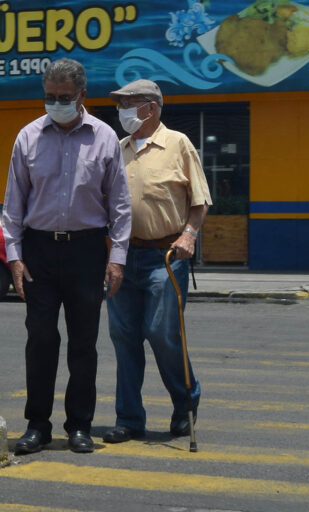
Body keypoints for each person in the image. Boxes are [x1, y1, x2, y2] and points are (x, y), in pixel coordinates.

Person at [2, 58, 131, 455]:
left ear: (82, 96)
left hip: (87, 251)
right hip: (39, 250)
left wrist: (117, 257)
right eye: (50, 97)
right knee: (40, 340)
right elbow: (13, 207)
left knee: (83, 344)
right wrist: (15, 257)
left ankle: (79, 425)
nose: (56, 103)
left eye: (64, 97)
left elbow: (121, 205)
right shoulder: (27, 138)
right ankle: (37, 426)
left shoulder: (105, 138)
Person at [103, 79, 212, 443]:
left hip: (165, 256)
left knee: (161, 333)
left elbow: (200, 200)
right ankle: (129, 418)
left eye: (129, 103)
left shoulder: (178, 144)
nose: (123, 112)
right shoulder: (118, 149)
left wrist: (189, 235)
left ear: (151, 107)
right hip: (122, 255)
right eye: (121, 105)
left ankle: (186, 403)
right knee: (123, 336)